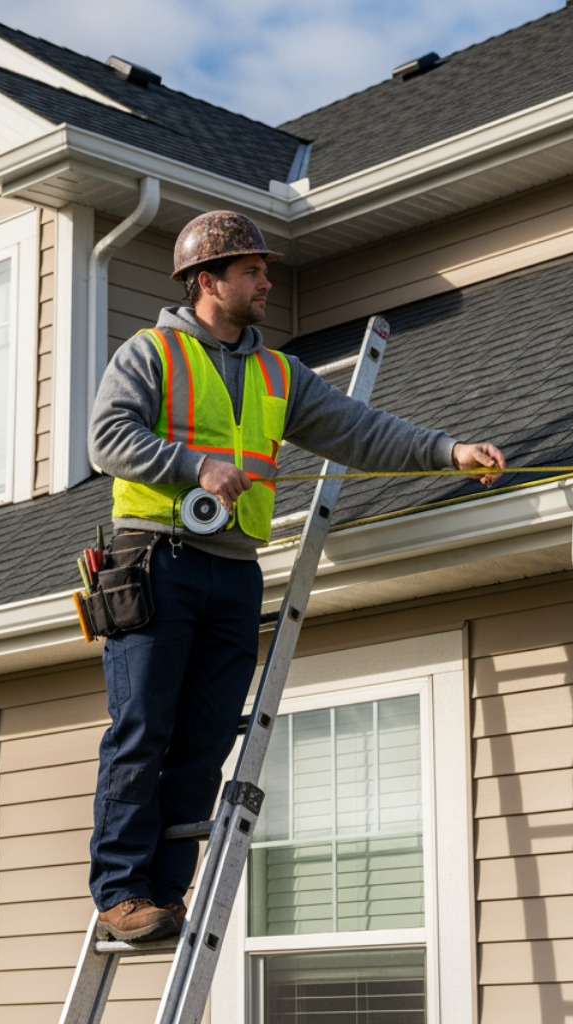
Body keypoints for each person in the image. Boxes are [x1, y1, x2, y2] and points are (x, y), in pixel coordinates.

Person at [85, 210, 505, 942]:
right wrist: (195, 465)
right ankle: (121, 892)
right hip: (155, 559)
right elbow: (106, 437)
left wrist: (447, 451)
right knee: (143, 729)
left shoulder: (281, 374)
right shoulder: (150, 353)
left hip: (235, 572)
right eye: (251, 271)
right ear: (206, 281)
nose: (266, 281)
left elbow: (359, 431)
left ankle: (166, 894)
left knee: (207, 738)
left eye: (266, 270)